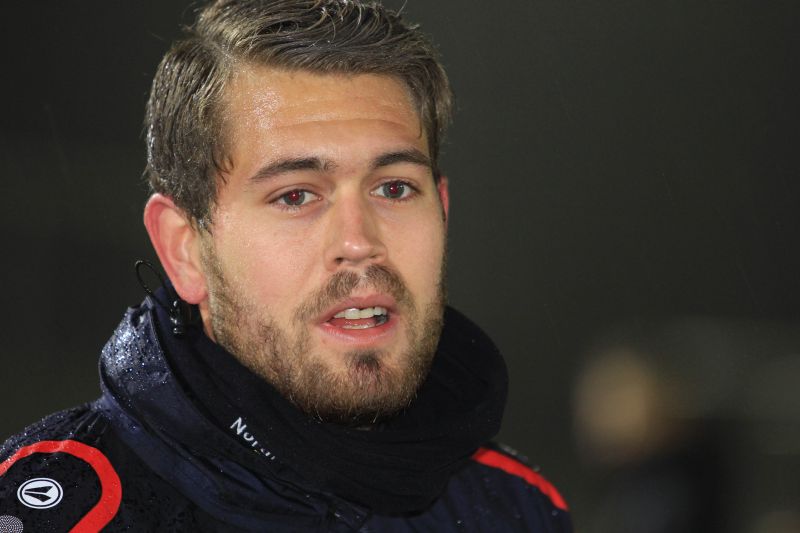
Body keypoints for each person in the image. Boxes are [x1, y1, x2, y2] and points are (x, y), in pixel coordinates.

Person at [0, 1, 571, 530]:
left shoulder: (517, 509)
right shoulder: (58, 515)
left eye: (394, 188)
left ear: (442, 211)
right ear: (184, 249)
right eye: (296, 196)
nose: (358, 242)